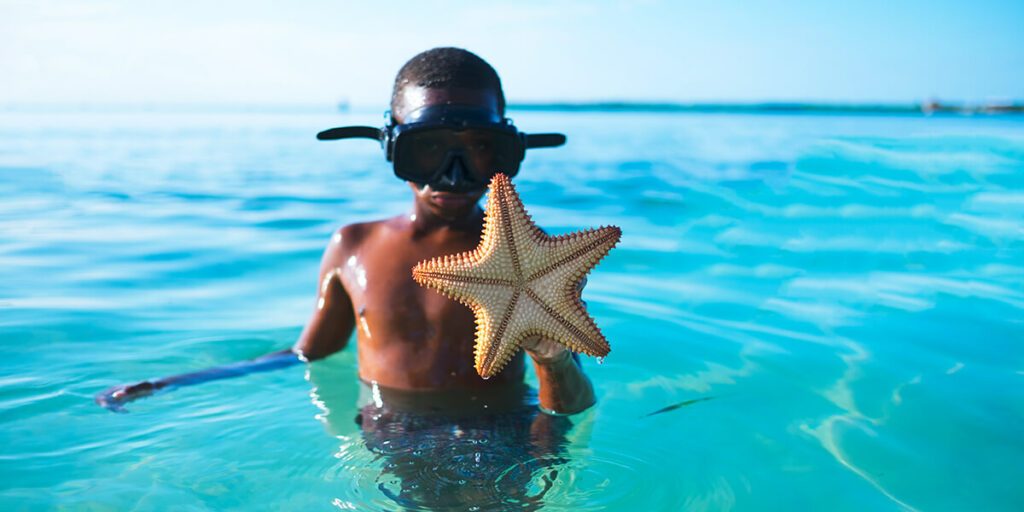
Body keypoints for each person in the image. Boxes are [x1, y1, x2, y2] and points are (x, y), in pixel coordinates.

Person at [96, 47, 596, 416]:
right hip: (390, 437)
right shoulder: (353, 247)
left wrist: (552, 357)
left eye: (482, 149)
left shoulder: (538, 262)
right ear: (391, 147)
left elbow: (569, 405)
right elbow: (305, 354)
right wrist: (175, 382)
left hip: (505, 439)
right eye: (428, 150)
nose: (454, 173)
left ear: (509, 152)